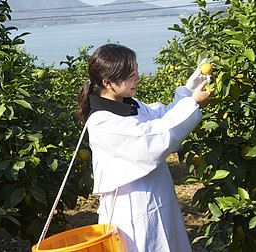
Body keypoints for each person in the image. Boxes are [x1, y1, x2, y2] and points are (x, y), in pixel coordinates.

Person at [77, 43, 215, 252]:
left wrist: (187, 92)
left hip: (156, 197)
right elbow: (154, 137)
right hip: (133, 209)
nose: (138, 78)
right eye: (131, 75)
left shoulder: (129, 105)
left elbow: (162, 118)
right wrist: (193, 105)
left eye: (137, 71)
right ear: (108, 83)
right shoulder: (102, 122)